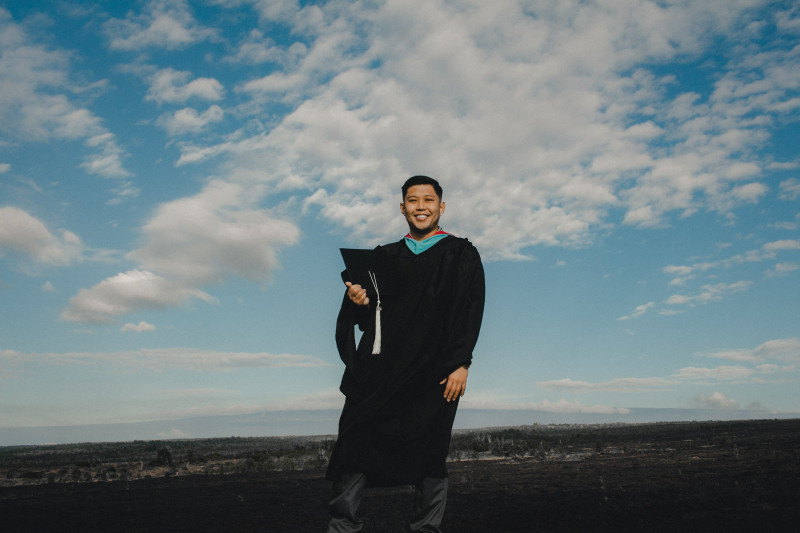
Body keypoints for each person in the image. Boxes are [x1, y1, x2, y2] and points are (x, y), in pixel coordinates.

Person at [326, 175, 485, 532]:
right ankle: (342, 527)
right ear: (403, 208)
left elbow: (470, 311)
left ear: (441, 207)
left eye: (428, 200)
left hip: (434, 374)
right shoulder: (383, 257)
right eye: (413, 201)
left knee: (429, 454)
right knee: (353, 445)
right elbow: (370, 319)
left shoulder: (461, 254)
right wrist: (358, 303)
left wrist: (462, 363)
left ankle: (426, 529)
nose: (421, 207)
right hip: (381, 372)